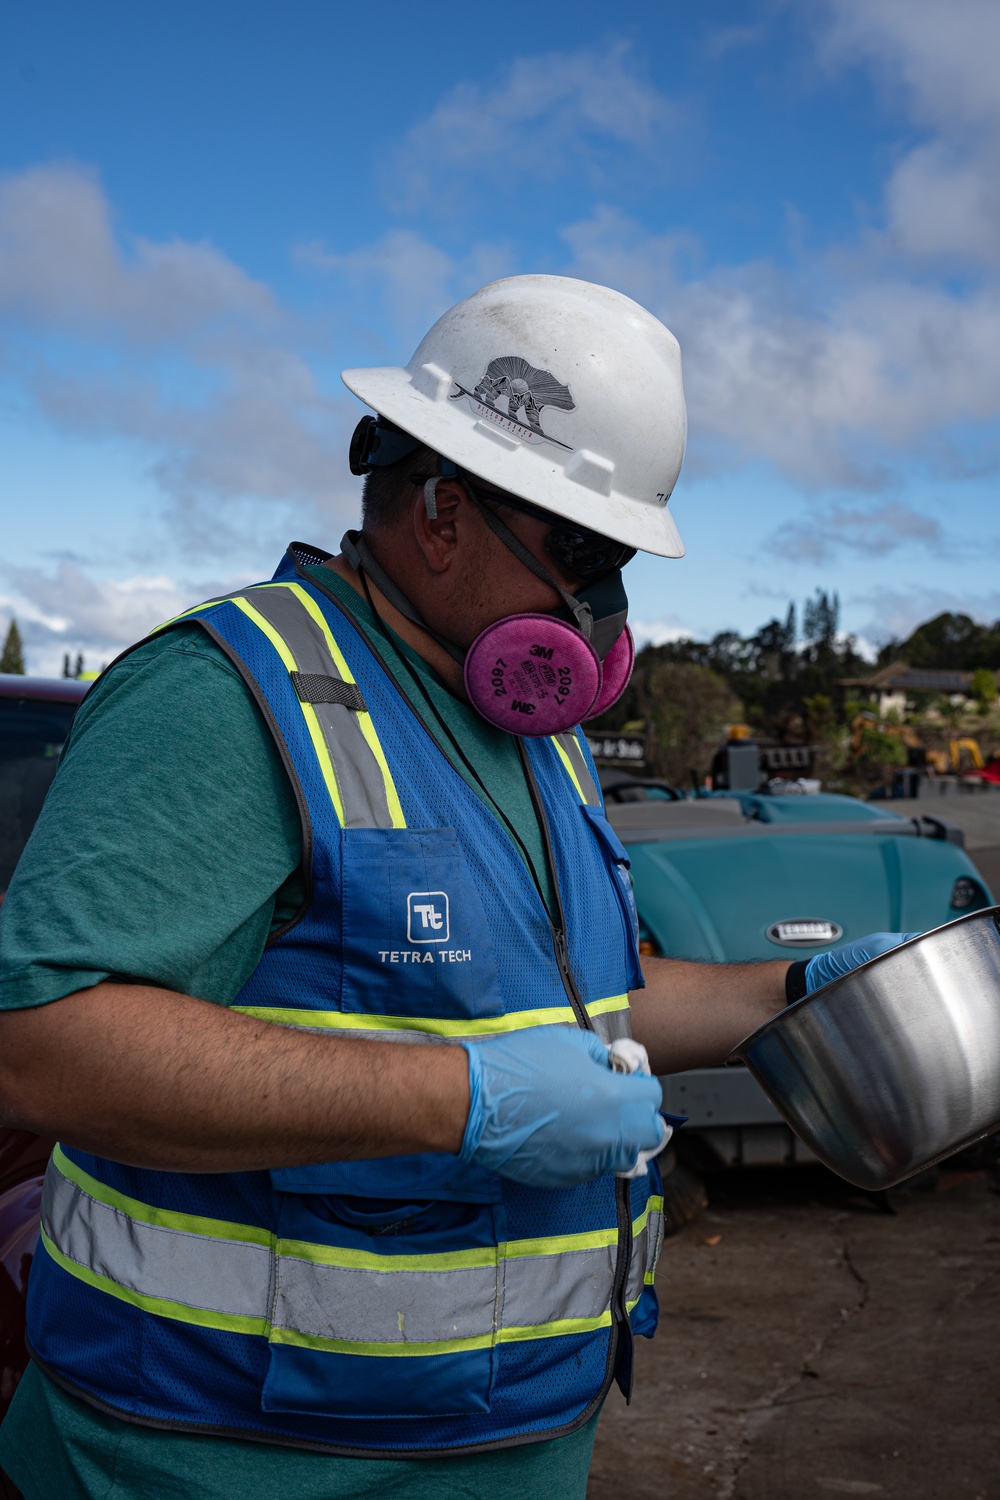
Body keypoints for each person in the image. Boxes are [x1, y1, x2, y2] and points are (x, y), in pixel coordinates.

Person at [0, 275, 909, 1500]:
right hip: (227, 1459)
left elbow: (592, 1002)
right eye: (584, 554)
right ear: (439, 511)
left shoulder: (535, 734)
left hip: (499, 1440)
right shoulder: (228, 698)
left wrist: (790, 993)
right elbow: (45, 1052)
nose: (602, 613)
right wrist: (462, 1099)